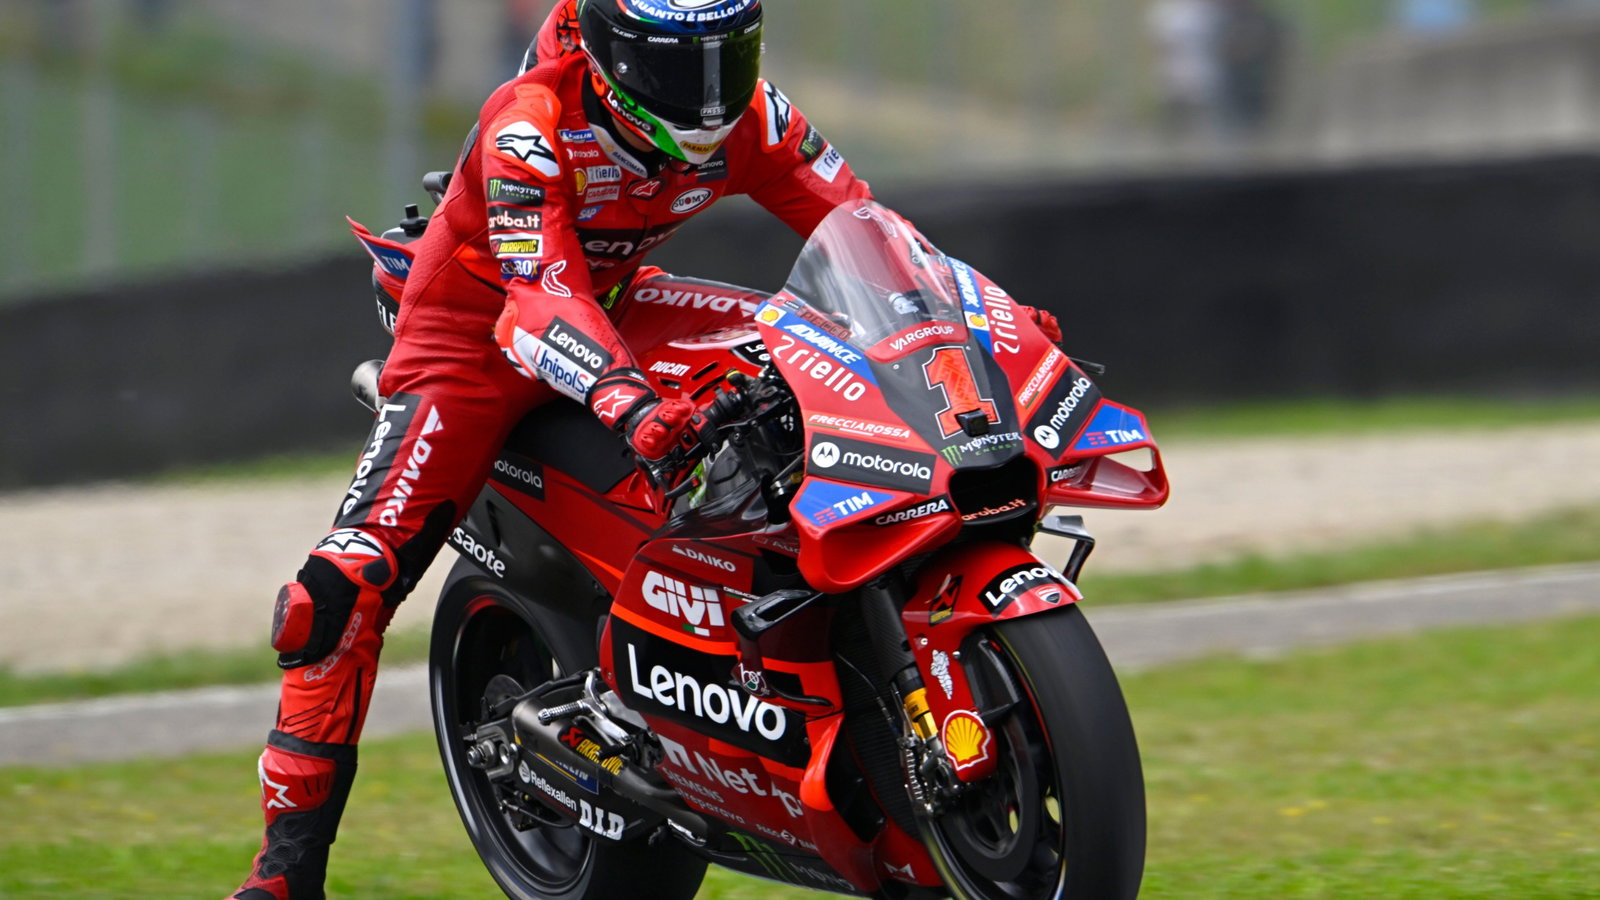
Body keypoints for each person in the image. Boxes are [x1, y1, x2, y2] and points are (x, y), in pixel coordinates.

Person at [227, 2, 1058, 897]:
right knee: (337, 591)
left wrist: (983, 325)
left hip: (625, 303)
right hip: (475, 339)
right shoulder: (528, 125)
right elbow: (538, 301)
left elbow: (865, 229)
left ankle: (801, 660)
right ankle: (284, 874)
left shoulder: (757, 117)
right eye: (675, 67)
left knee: (816, 357)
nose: (707, 99)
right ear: (602, 49)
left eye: (725, 59)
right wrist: (627, 401)